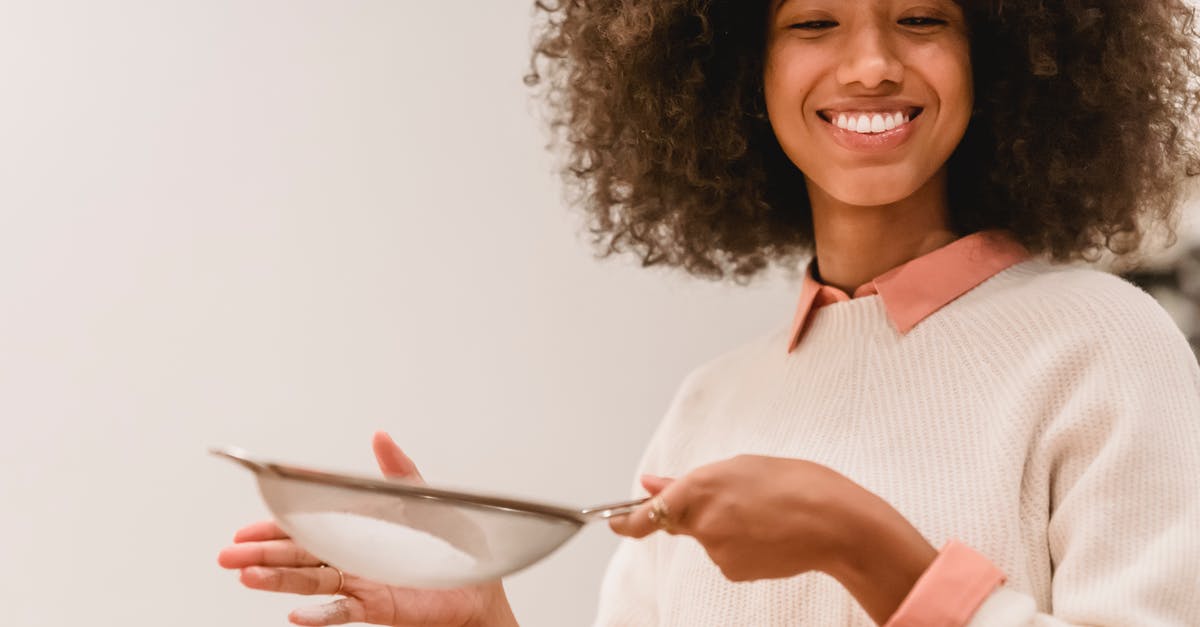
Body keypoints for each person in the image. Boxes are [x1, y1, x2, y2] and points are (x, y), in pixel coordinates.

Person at [217, 0, 1200, 624]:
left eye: (922, 18)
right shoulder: (712, 405)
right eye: (815, 22)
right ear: (740, 70)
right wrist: (481, 625)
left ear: (1001, 54)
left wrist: (867, 548)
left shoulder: (1101, 346)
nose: (869, 65)